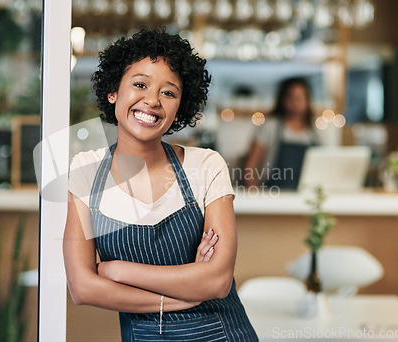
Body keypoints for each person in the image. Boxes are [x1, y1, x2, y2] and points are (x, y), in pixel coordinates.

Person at [63, 27, 258, 341]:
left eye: (169, 92)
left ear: (180, 106)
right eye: (140, 84)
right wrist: (179, 295)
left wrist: (118, 271)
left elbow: (218, 281)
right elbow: (83, 287)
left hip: (221, 333)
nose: (152, 100)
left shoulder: (206, 166)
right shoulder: (85, 171)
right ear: (113, 91)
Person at [244, 77, 319, 190]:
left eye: (300, 97)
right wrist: (257, 194)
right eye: (292, 97)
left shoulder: (313, 133)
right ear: (283, 99)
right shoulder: (271, 127)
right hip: (273, 196)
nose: (296, 102)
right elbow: (250, 168)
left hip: (304, 198)